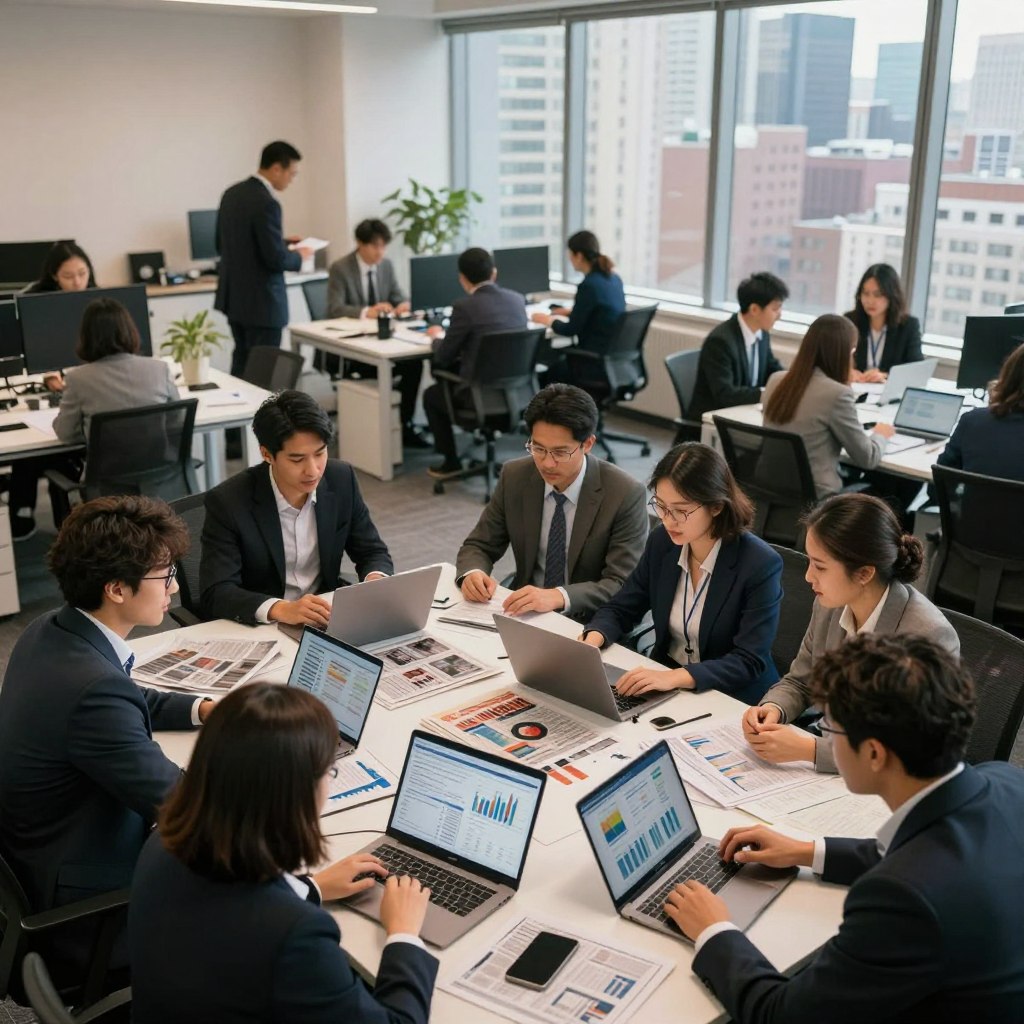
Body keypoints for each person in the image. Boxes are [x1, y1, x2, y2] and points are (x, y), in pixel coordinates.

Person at [667, 633, 1024, 1023]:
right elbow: (929, 857)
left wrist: (714, 930)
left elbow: (780, 1015)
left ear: (873, 753)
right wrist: (806, 851)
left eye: (829, 729)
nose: (823, 739)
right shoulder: (1005, 781)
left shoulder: (900, 899)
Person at [129, 683, 437, 1024]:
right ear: (295, 793)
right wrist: (404, 935)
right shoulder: (296, 937)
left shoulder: (163, 842)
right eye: (328, 772)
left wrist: (313, 888)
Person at [0, 496, 211, 977]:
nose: (175, 591)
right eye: (165, 577)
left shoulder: (49, 632)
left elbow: (126, 696)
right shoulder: (93, 691)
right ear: (117, 588)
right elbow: (185, 808)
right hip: (91, 911)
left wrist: (204, 709)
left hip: (44, 857)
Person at [742, 492, 959, 772]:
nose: (808, 576)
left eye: (820, 566)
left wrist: (810, 750)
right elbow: (801, 681)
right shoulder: (830, 604)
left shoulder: (927, 635)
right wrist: (773, 709)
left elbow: (912, 750)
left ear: (864, 574)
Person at [583, 442, 782, 705]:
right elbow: (623, 607)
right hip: (668, 681)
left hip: (732, 697)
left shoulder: (759, 564)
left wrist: (678, 677)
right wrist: (591, 642)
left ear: (716, 506)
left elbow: (748, 660)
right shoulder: (663, 543)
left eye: (681, 510)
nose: (668, 520)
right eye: (661, 506)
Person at [199, 389, 393, 626]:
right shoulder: (229, 501)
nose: (313, 470)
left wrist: (375, 579)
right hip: (262, 625)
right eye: (297, 460)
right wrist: (280, 608)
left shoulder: (341, 478)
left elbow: (372, 551)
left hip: (325, 617)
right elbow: (216, 591)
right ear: (267, 454)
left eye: (320, 453)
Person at [455, 383, 647, 621]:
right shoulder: (515, 476)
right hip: (525, 612)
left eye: (560, 452)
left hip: (591, 620)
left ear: (587, 444)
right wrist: (473, 573)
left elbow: (620, 582)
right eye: (538, 448)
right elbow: (479, 545)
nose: (547, 463)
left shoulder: (625, 493)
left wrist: (558, 596)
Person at [7, 297, 180, 541]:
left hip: (107, 483)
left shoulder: (78, 379)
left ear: (86, 337)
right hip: (159, 474)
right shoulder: (160, 369)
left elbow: (65, 433)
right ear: (130, 331)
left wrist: (95, 432)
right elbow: (176, 421)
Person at [761, 313, 894, 498]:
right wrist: (881, 434)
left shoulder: (776, 380)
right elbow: (867, 458)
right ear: (844, 353)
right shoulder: (838, 395)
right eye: (853, 351)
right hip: (819, 499)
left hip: (772, 492)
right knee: (899, 488)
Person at [422, 247, 529, 476]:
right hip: (517, 396)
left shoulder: (464, 308)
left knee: (432, 395)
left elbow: (444, 355)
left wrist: (434, 338)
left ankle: (451, 461)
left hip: (477, 399)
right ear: (494, 273)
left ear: (462, 279)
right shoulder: (518, 301)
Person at [214, 140, 312, 378]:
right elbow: (275, 259)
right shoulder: (267, 203)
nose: (291, 180)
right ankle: (261, 415)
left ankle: (239, 413)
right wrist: (299, 256)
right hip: (263, 305)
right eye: (292, 173)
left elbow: (224, 243)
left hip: (235, 300)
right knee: (263, 372)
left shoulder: (231, 194)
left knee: (242, 362)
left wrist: (283, 242)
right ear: (277, 168)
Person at [325, 218, 427, 447]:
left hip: (385, 342)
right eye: (375, 246)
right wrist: (366, 311)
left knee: (414, 363)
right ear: (360, 244)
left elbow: (398, 295)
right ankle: (379, 433)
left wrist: (403, 304)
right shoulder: (341, 268)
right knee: (392, 367)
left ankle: (405, 424)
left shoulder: (386, 266)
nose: (380, 252)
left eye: (383, 246)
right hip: (355, 349)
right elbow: (334, 308)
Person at [530, 230, 625, 384]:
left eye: (570, 254)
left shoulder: (588, 286)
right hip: (610, 358)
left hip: (591, 360)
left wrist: (548, 320)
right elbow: (602, 313)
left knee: (546, 370)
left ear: (579, 256)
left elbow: (570, 330)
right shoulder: (614, 279)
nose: (569, 258)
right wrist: (571, 312)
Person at [689, 272, 787, 420]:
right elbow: (725, 394)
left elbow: (772, 368)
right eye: (775, 309)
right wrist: (767, 393)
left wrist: (791, 382)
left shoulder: (762, 334)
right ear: (754, 310)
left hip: (743, 414)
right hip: (714, 423)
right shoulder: (720, 341)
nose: (779, 315)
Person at [845, 263, 923, 382]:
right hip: (854, 391)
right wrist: (846, 371)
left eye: (878, 295)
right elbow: (834, 360)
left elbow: (916, 371)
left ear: (892, 296)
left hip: (887, 394)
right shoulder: (850, 322)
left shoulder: (908, 326)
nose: (870, 301)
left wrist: (885, 376)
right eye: (866, 294)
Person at [23, 240, 97, 294]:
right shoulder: (34, 298)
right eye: (68, 276)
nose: (77, 282)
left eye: (82, 273)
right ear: (54, 276)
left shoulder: (99, 298)